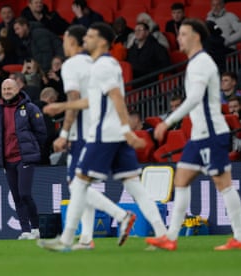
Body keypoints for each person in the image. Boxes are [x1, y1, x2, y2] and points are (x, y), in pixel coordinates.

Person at [38, 22, 167, 251]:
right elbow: (92, 101)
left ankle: (67, 239)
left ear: (103, 41)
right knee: (134, 186)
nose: (86, 38)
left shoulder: (101, 65)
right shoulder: (100, 64)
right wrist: (61, 106)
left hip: (103, 134)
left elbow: (117, 97)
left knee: (78, 183)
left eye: (91, 35)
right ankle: (162, 233)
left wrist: (128, 131)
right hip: (111, 132)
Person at [146, 18, 241, 251]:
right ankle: (170, 237)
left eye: (183, 34)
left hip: (211, 134)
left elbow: (194, 97)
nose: (179, 38)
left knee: (224, 184)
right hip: (198, 137)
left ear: (196, 36)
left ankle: (240, 237)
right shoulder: (195, 63)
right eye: (179, 34)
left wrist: (167, 122)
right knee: (180, 180)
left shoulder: (201, 63)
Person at [45, 25, 96, 250]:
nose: (63, 45)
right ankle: (85, 237)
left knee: (78, 185)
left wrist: (64, 133)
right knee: (79, 185)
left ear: (72, 41)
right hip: (98, 129)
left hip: (83, 132)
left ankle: (119, 217)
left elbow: (73, 100)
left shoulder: (71, 65)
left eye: (64, 40)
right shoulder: (95, 62)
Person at [0, 78, 47, 239]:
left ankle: (36, 228)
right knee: (16, 196)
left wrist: (32, 150)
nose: (6, 91)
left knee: (25, 194)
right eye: (4, 89)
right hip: (7, 159)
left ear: (17, 89)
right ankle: (25, 230)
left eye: (9, 88)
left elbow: (41, 133)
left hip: (24, 158)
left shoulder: (30, 108)